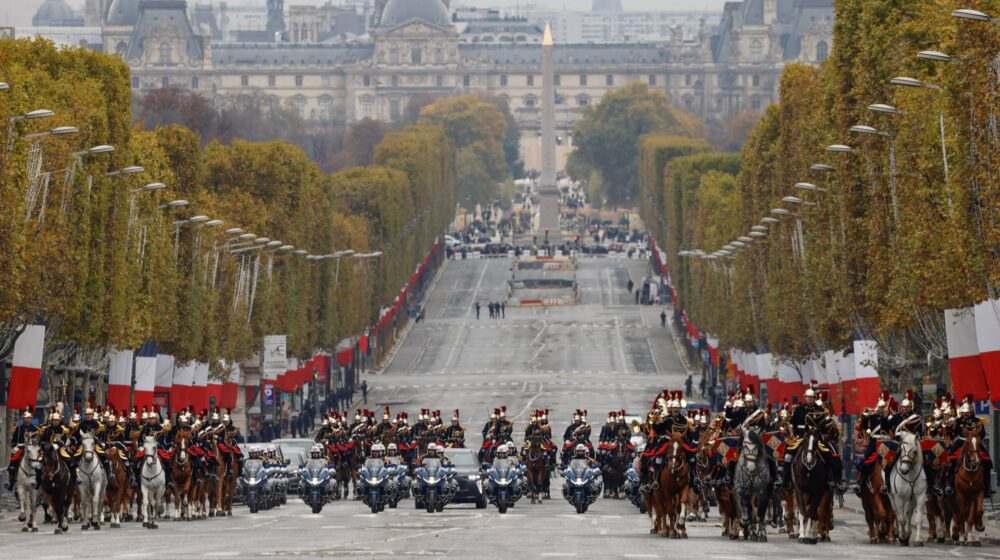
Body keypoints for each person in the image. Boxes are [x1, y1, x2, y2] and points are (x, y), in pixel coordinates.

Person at [6, 408, 39, 490]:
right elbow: (13, 441)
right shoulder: (18, 428)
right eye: (25, 418)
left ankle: (39, 480)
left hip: (31, 449)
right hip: (21, 447)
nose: (27, 419)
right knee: (13, 461)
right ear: (23, 419)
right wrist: (14, 446)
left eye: (29, 418)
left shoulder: (35, 429)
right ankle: (11, 481)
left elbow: (37, 440)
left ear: (31, 419)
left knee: (39, 463)